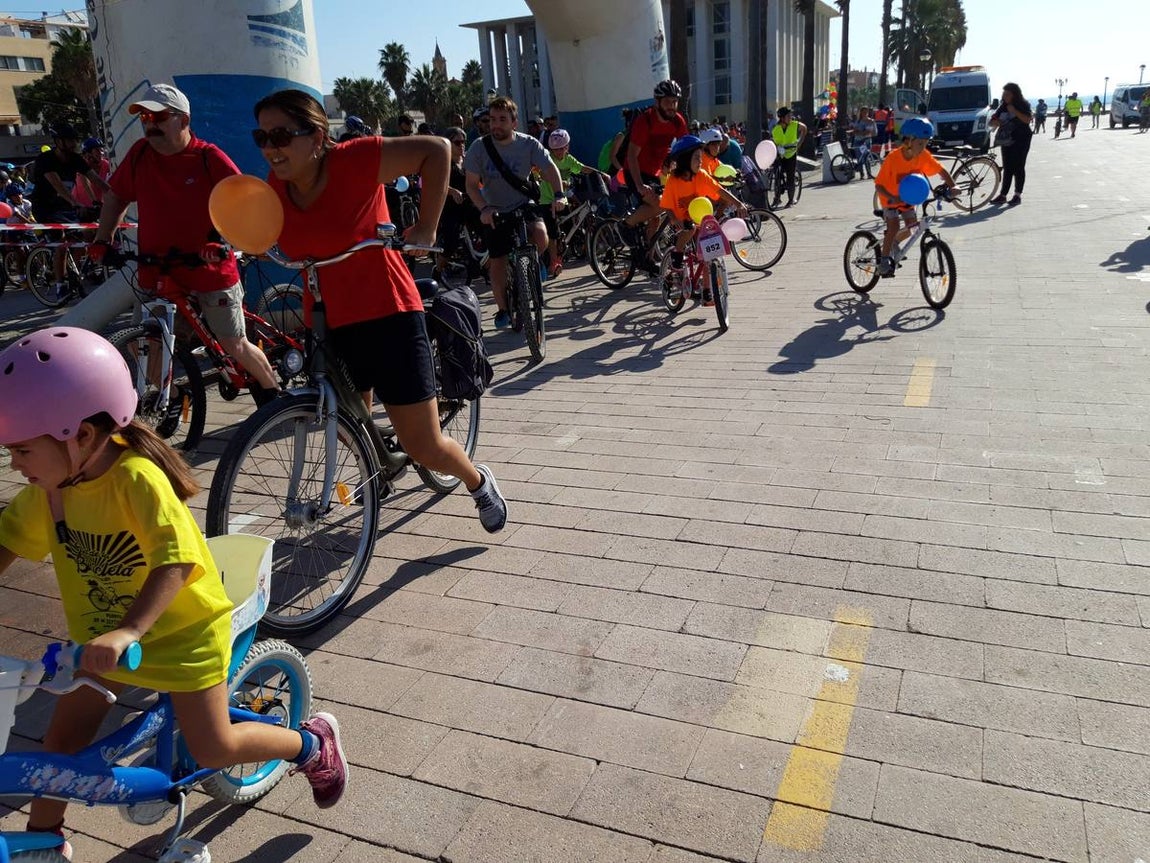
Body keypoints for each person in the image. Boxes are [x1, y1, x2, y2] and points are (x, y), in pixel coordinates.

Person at [0, 327, 349, 857]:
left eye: (22, 448)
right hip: (103, 641)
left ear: (82, 437)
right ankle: (42, 841)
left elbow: (177, 560)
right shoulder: (47, 493)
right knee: (59, 746)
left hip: (180, 634)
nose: (14, 463)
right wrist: (116, 635)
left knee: (215, 744)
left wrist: (129, 629)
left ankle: (310, 744)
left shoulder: (136, 480)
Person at [252, 88, 508, 533]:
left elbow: (436, 150)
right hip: (327, 319)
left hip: (386, 312)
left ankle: (476, 480)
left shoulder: (354, 159)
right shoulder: (275, 187)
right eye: (262, 138)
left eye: (280, 135)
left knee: (423, 442)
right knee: (349, 418)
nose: (270, 148)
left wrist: (427, 226)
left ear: (316, 136)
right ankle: (379, 472)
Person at [87, 83, 282, 403]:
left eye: (159, 117)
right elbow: (116, 196)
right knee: (143, 346)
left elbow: (244, 201)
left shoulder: (208, 157)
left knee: (233, 342)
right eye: (145, 117)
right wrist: (102, 239)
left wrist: (223, 240)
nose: (149, 124)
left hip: (208, 269)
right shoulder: (139, 155)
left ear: (183, 120)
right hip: (157, 270)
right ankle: (177, 398)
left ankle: (274, 398)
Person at [463, 95, 565, 330]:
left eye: (502, 119)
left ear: (514, 122)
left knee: (540, 235)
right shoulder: (479, 147)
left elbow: (550, 169)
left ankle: (534, 261)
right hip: (493, 209)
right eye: (492, 119)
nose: (496, 124)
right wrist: (484, 208)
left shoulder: (528, 144)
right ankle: (502, 310)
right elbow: (470, 185)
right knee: (497, 260)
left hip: (523, 203)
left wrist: (559, 195)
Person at [659, 135, 747, 305]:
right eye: (697, 158)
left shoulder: (701, 175)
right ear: (685, 160)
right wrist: (674, 219)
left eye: (701, 157)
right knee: (690, 229)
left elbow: (719, 190)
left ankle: (707, 291)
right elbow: (666, 205)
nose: (701, 161)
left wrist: (738, 203)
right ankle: (677, 254)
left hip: (699, 217)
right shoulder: (674, 181)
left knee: (709, 252)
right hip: (681, 220)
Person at [29, 124, 111, 300]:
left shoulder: (75, 159)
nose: (74, 144)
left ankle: (74, 272)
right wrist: (75, 202)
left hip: (65, 207)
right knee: (61, 244)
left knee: (82, 236)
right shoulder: (46, 159)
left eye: (75, 140)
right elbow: (57, 184)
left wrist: (115, 196)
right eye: (70, 140)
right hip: (45, 208)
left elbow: (95, 179)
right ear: (59, 142)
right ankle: (60, 286)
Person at [873, 117, 958, 276]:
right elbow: (878, 185)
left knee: (913, 227)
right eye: (920, 143)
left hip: (908, 198)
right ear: (908, 141)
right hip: (889, 197)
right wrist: (891, 197)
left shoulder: (923, 155)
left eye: (926, 143)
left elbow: (940, 170)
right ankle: (884, 260)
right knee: (894, 226)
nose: (923, 147)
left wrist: (953, 186)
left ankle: (894, 242)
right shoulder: (893, 158)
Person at [620, 79, 688, 272]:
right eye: (667, 101)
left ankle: (646, 257)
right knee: (660, 204)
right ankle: (626, 224)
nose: (672, 106)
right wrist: (640, 186)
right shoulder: (646, 120)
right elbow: (632, 156)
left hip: (654, 171)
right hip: (635, 171)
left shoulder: (677, 120)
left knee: (656, 218)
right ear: (657, 102)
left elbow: (686, 148)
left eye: (675, 102)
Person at [538, 128, 611, 278]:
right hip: (546, 199)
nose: (558, 152)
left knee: (570, 222)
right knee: (552, 231)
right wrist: (559, 182)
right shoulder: (548, 159)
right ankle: (554, 262)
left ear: (567, 147)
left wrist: (600, 173)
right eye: (555, 149)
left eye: (561, 149)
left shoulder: (568, 159)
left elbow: (582, 168)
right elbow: (542, 174)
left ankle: (573, 246)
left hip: (561, 199)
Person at [434, 126, 481, 280]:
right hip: (451, 207)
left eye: (463, 142)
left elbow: (480, 181)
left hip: (468, 203)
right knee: (451, 241)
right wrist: (453, 191)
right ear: (448, 143)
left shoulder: (468, 161)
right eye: (457, 142)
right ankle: (438, 270)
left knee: (487, 226)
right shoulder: (443, 162)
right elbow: (437, 184)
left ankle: (486, 264)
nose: (462, 145)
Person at [989, 82, 1034, 206]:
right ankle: (1003, 195)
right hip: (1007, 139)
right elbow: (991, 122)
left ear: (1014, 95)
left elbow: (1027, 120)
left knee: (1018, 166)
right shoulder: (1002, 106)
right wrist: (996, 122)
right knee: (1007, 167)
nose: (1004, 96)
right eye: (1003, 93)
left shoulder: (1023, 104)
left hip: (1022, 138)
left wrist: (1014, 111)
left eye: (1007, 94)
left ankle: (1017, 195)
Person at [771, 107, 807, 207]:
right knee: (777, 175)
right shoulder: (776, 129)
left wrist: (799, 143)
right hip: (781, 154)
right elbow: (774, 141)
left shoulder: (794, 125)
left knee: (790, 177)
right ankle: (777, 198)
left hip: (791, 153)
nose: (790, 117)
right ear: (782, 118)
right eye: (788, 116)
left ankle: (791, 200)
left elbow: (804, 129)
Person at [73, 137, 110, 220]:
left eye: (102, 149)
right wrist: (95, 202)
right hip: (82, 207)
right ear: (88, 153)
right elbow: (86, 184)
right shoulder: (83, 166)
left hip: (99, 206)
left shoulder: (106, 164)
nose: (101, 152)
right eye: (97, 150)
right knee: (88, 231)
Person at [849, 107, 878, 176]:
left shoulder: (870, 121)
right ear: (861, 113)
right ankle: (861, 174)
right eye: (863, 112)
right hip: (858, 140)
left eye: (866, 112)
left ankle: (869, 173)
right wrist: (857, 132)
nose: (865, 114)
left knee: (867, 157)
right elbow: (856, 131)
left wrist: (859, 132)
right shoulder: (858, 121)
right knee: (859, 158)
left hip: (866, 141)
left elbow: (869, 132)